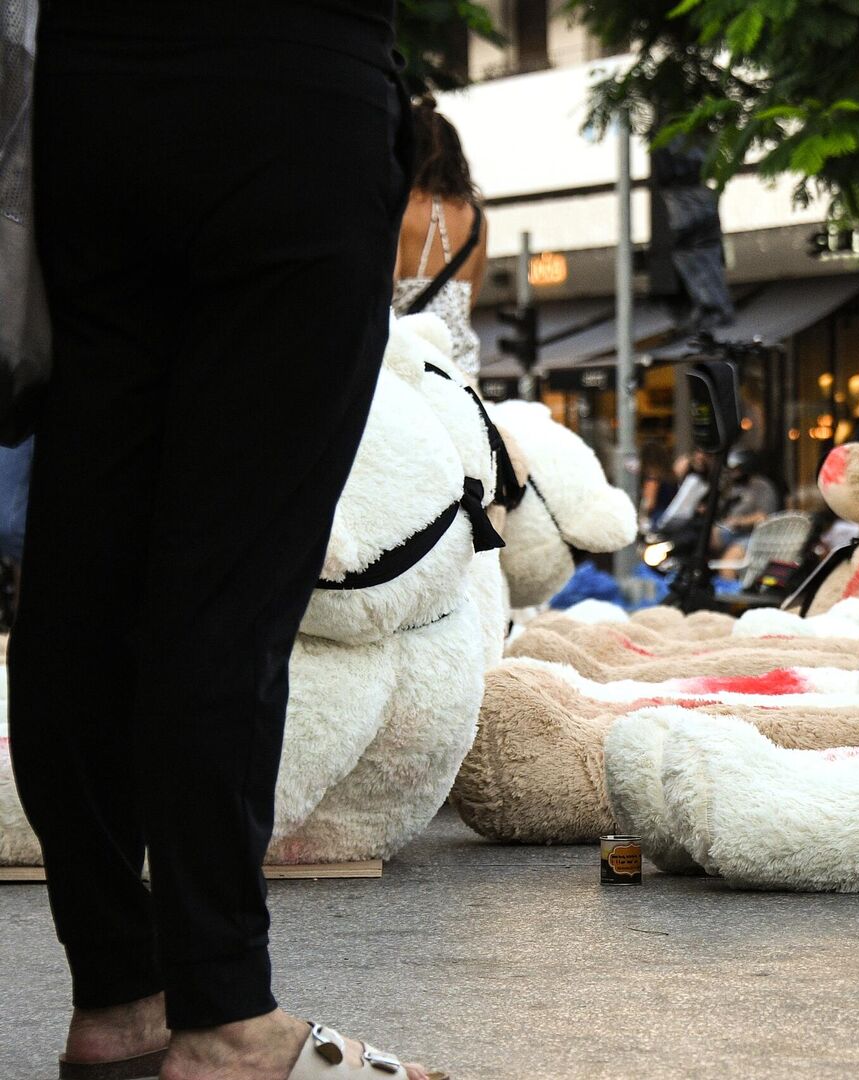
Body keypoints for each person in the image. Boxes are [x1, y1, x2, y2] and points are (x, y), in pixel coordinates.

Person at [17, 3, 439, 1078]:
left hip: (87, 94)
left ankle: (117, 996)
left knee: (85, 563)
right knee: (231, 592)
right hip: (289, 86)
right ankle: (224, 1019)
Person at [391, 98, 486, 377]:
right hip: (460, 363)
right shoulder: (476, 217)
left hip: (412, 358)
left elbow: (388, 283)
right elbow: (470, 296)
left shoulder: (400, 207)